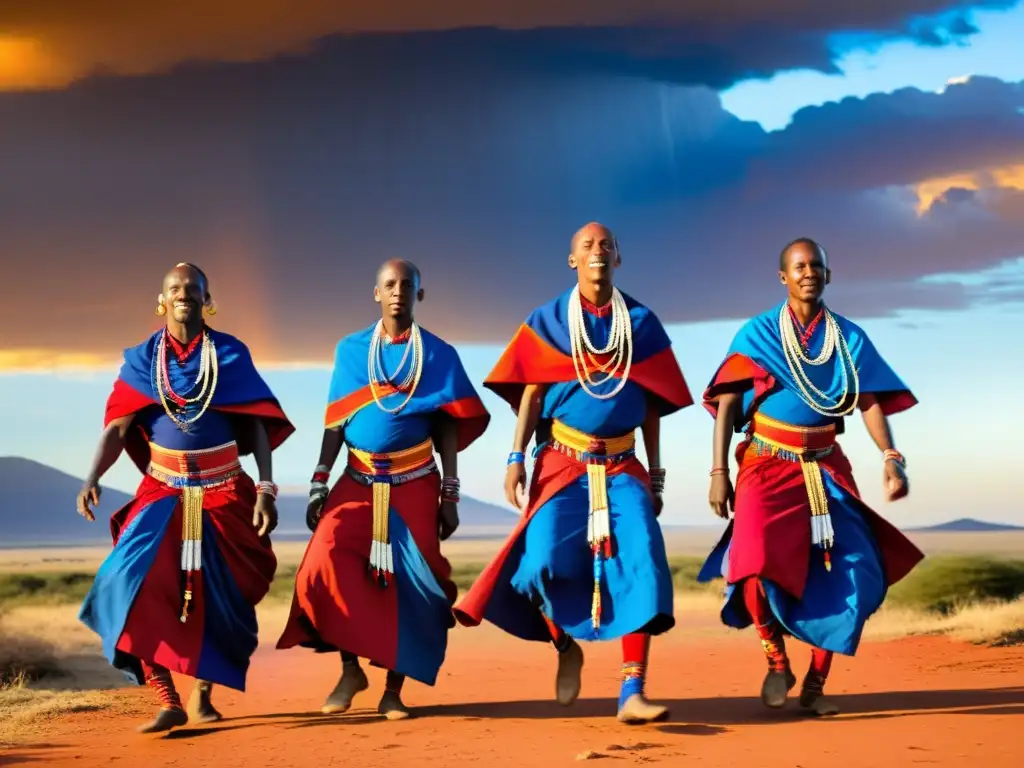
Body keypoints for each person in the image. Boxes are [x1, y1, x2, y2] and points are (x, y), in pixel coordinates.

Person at [453, 222, 694, 724]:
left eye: (606, 245)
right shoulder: (548, 321)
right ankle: (564, 646)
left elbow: (650, 406)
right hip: (562, 459)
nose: (597, 251)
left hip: (624, 462)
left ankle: (632, 690)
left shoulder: (642, 324)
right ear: (572, 261)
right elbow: (532, 397)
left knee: (645, 560)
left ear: (619, 257)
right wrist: (515, 457)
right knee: (540, 562)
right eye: (587, 246)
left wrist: (657, 473)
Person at [696, 237, 925, 716]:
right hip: (766, 462)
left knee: (853, 571)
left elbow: (869, 401)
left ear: (828, 274)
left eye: (816, 265)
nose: (808, 272)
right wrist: (719, 471)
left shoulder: (849, 338)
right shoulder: (756, 335)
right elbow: (728, 407)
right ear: (784, 276)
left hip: (826, 465)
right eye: (799, 266)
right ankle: (776, 660)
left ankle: (817, 684)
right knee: (754, 563)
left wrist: (890, 455)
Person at [77, 263, 294, 734]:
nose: (183, 295)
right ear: (161, 300)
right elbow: (117, 427)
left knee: (219, 597)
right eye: (175, 289)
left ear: (206, 298)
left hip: (225, 489)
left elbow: (255, 425)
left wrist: (265, 488)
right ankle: (164, 696)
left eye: (192, 289)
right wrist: (93, 475)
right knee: (124, 580)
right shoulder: (140, 360)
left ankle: (202, 691)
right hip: (162, 488)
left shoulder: (230, 354)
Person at [276, 259, 490, 720]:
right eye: (389, 285)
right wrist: (318, 481)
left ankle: (394, 690)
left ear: (419, 294)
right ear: (376, 293)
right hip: (355, 480)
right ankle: (350, 668)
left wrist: (450, 493)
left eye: (407, 285)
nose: (398, 291)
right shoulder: (351, 351)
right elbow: (336, 421)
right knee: (320, 565)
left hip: (415, 481)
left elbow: (448, 426)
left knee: (416, 586)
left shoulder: (437, 354)